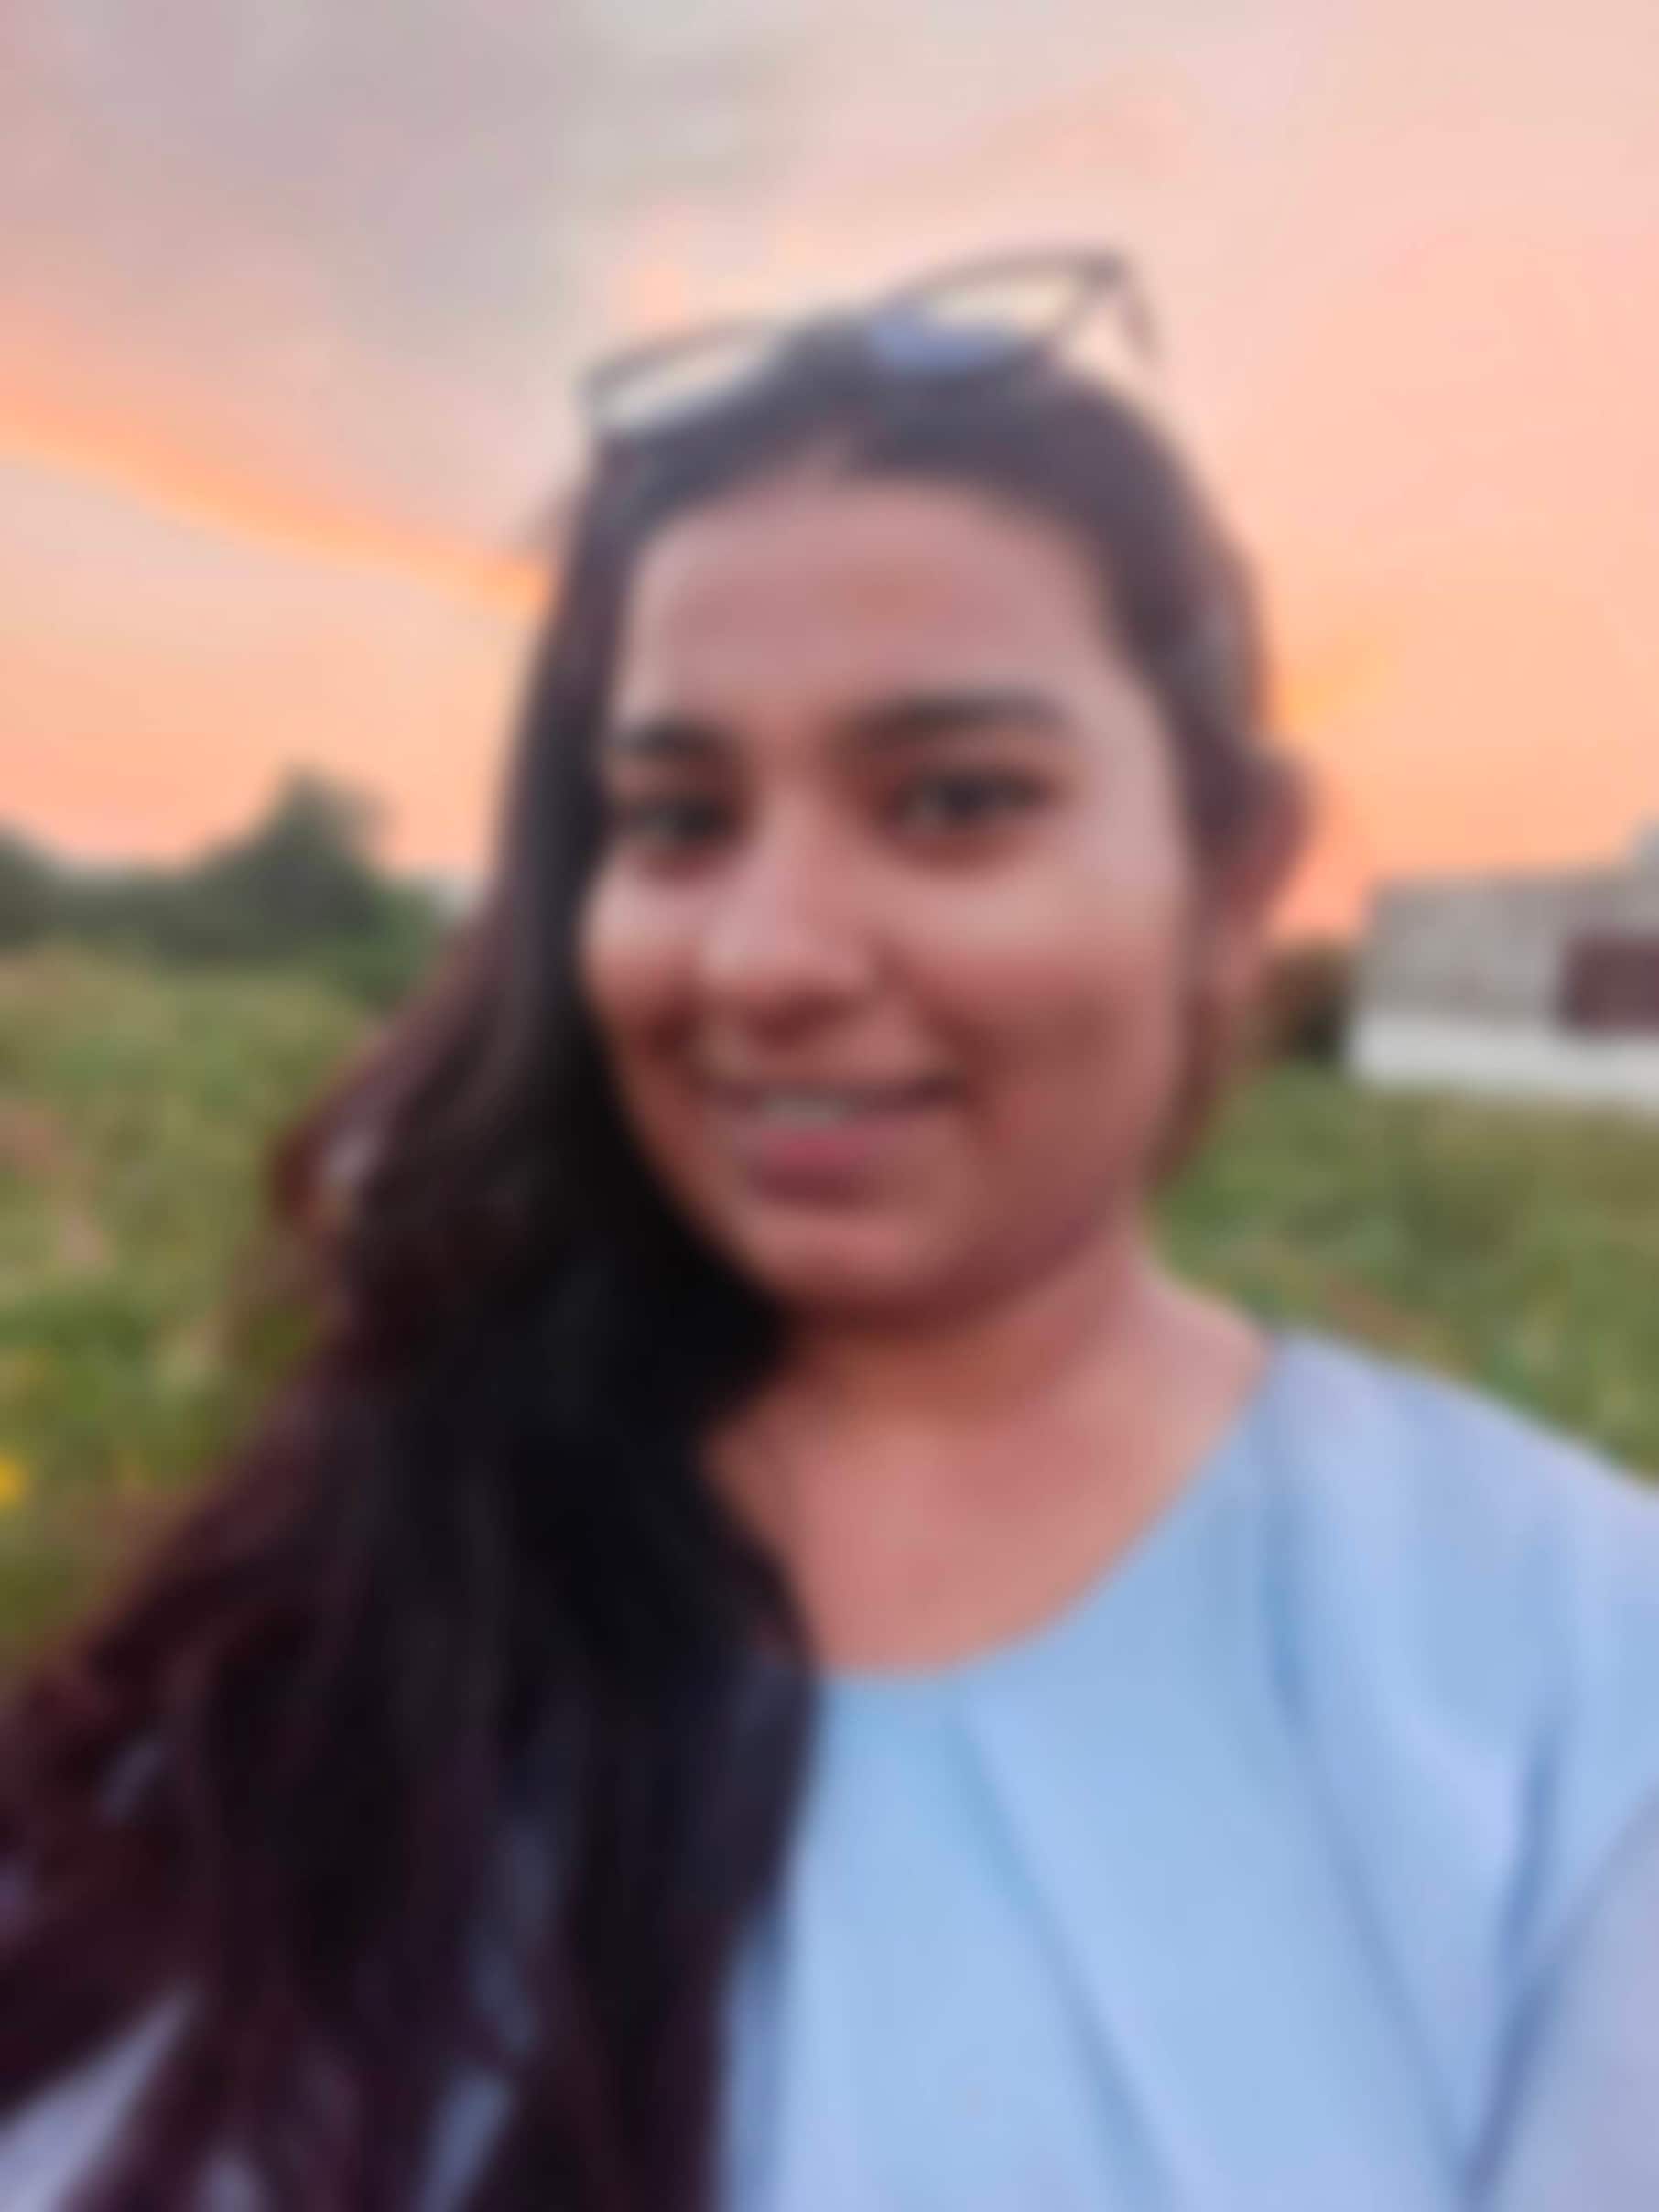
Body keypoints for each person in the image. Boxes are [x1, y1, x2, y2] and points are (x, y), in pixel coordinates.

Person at [1, 247, 1656, 2212]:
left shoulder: (1573, 1666)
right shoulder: (354, 1550)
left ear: (1231, 880)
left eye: (953, 799)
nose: (765, 959)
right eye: (679, 818)